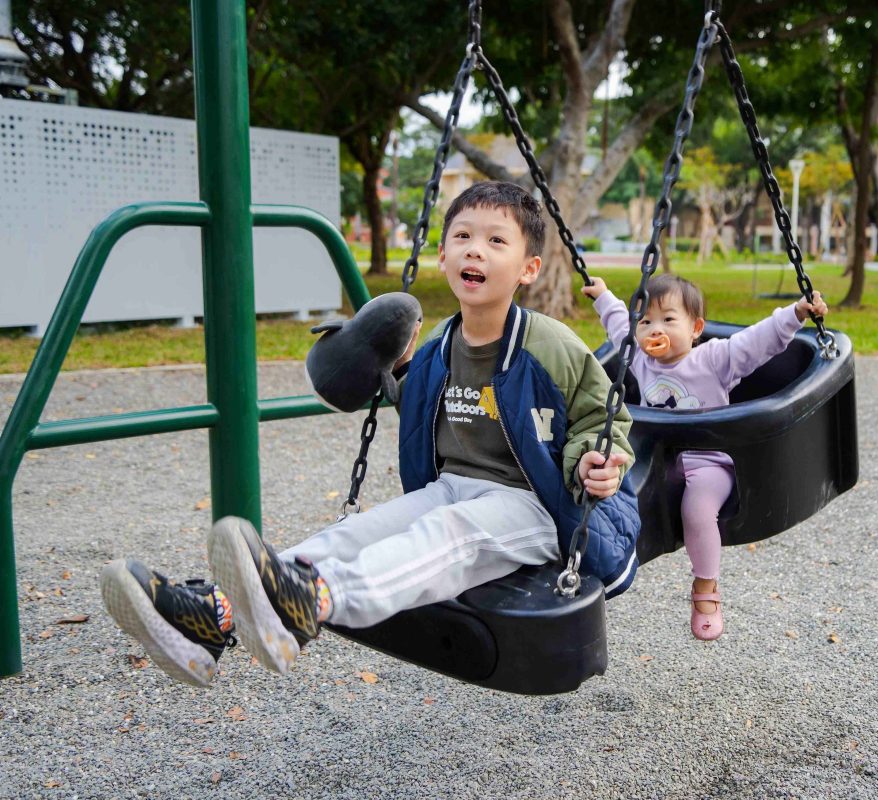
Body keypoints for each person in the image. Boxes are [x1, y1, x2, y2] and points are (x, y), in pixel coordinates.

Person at [100, 182, 640, 687]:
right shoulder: (438, 346)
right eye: (463, 237)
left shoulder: (550, 344)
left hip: (537, 504)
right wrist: (363, 361)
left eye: (496, 241)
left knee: (446, 538)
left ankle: (310, 602)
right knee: (352, 535)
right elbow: (417, 400)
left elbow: (605, 415)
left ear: (528, 268)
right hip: (454, 486)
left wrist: (594, 459)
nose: (475, 250)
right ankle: (211, 617)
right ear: (444, 256)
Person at [581, 273, 828, 640]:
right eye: (646, 321)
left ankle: (705, 589)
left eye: (668, 319)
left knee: (696, 510)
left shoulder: (716, 359)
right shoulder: (640, 360)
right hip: (662, 461)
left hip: (710, 463)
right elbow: (620, 325)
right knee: (610, 491)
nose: (653, 329)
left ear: (696, 328)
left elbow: (758, 340)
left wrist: (796, 313)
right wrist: (602, 296)